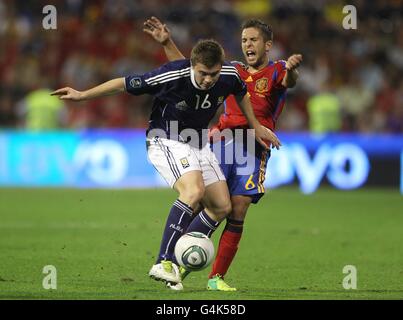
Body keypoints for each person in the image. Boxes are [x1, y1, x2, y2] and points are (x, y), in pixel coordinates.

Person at [51, 39, 281, 287]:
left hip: (198, 142)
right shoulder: (170, 76)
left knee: (221, 206)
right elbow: (123, 84)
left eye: (213, 74)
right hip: (165, 138)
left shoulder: (228, 75)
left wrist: (255, 127)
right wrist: (82, 95)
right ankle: (163, 261)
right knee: (193, 191)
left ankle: (179, 261)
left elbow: (241, 93)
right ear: (193, 66)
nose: (208, 80)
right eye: (203, 74)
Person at [143, 17, 302, 291]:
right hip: (223, 140)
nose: (248, 44)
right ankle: (176, 264)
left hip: (253, 147)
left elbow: (288, 80)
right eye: (244, 40)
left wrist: (292, 70)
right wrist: (168, 43)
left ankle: (216, 278)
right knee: (208, 203)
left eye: (253, 40)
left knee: (238, 209)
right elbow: (189, 71)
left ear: (268, 45)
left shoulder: (276, 69)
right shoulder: (231, 70)